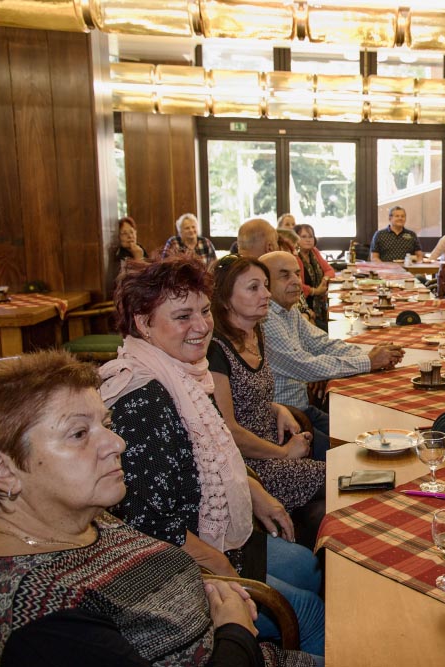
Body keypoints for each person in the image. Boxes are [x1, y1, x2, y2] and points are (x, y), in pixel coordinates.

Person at [0, 350, 313, 667]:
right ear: (3, 471)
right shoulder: (41, 617)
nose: (117, 443)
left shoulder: (72, 514)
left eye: (106, 425)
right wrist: (235, 630)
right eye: (78, 434)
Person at [100, 257, 325, 656]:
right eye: (182, 316)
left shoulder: (185, 373)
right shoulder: (141, 399)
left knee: (310, 567)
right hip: (177, 565)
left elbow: (222, 448)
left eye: (204, 311)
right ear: (143, 323)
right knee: (309, 610)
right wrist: (222, 569)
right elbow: (148, 523)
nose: (202, 326)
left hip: (212, 532)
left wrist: (256, 492)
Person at [208, 254, 328, 508]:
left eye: (265, 285)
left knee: (354, 471)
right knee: (347, 477)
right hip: (251, 465)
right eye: (254, 288)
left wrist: (278, 409)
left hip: (273, 442)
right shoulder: (215, 350)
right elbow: (228, 430)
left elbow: (246, 397)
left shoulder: (255, 332)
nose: (267, 294)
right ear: (225, 298)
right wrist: (284, 453)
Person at [259, 251, 404, 414]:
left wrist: (372, 355)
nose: (296, 281)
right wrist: (369, 361)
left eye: (297, 274)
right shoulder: (266, 319)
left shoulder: (287, 309)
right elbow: (306, 366)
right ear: (265, 284)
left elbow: (322, 344)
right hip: (286, 418)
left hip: (301, 407)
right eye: (285, 276)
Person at [293, 223, 335, 328]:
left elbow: (329, 270)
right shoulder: (294, 257)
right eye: (304, 236)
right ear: (295, 239)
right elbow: (296, 285)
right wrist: (315, 291)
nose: (308, 240)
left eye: (311, 236)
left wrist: (325, 279)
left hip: (320, 306)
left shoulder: (314, 252)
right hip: (304, 308)